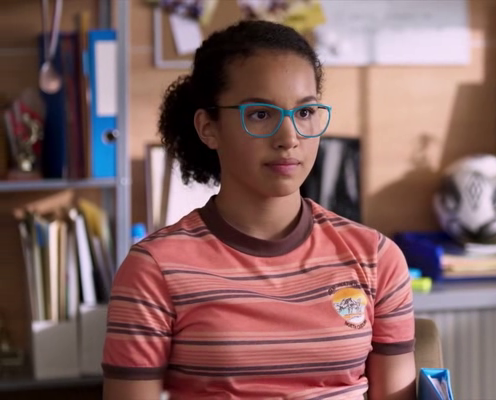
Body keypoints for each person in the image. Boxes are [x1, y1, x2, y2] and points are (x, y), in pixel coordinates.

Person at [101, 20, 416, 400]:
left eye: (305, 112)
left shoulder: (376, 258)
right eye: (261, 115)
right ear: (209, 127)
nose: (289, 138)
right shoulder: (155, 269)